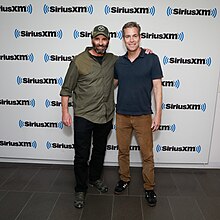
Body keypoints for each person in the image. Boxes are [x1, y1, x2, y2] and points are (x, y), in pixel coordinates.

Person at [60, 25, 118, 209]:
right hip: (84, 115)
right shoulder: (79, 61)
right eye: (98, 39)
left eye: (104, 39)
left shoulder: (113, 60)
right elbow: (66, 89)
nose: (101, 43)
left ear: (108, 40)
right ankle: (80, 188)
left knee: (99, 150)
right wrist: (64, 113)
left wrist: (145, 52)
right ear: (92, 39)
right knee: (81, 155)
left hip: (105, 114)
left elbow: (130, 63)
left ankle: (94, 179)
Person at [114, 21, 163, 207]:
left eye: (134, 35)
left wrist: (158, 114)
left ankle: (149, 188)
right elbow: (111, 84)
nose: (131, 39)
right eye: (128, 36)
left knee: (147, 155)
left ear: (140, 37)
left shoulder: (151, 59)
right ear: (123, 39)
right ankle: (124, 178)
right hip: (122, 115)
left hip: (143, 116)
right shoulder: (118, 62)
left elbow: (157, 88)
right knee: (123, 151)